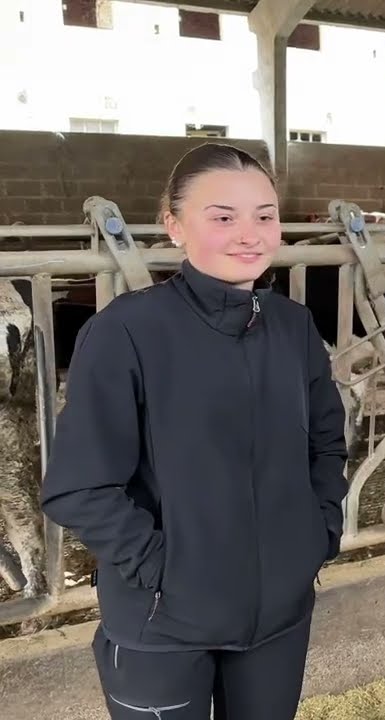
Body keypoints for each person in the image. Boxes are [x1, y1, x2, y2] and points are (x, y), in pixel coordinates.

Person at [40, 142, 350, 719]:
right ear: (174, 226)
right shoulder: (126, 332)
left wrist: (317, 530)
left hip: (277, 619)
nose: (249, 234)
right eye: (223, 217)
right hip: (164, 625)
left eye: (265, 216)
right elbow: (79, 487)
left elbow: (325, 441)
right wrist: (165, 571)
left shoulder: (293, 326)